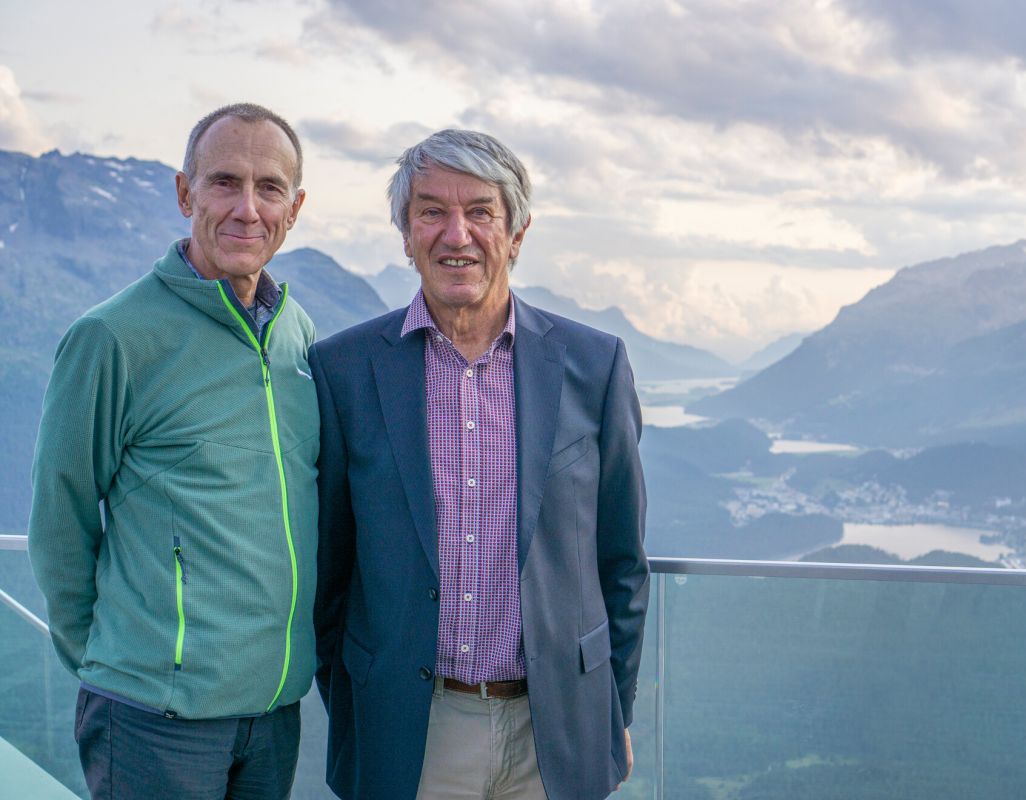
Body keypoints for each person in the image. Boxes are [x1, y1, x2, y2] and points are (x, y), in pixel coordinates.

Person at [309, 129, 649, 800]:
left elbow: (621, 563)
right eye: (431, 211)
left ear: (516, 234)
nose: (455, 234)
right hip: (410, 732)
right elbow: (330, 570)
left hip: (556, 732)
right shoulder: (343, 369)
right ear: (406, 234)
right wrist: (355, 703)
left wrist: (615, 710)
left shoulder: (595, 365)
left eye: (480, 212)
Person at [28, 102, 318, 799]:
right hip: (154, 718)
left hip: (274, 711)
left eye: (269, 188)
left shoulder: (298, 335)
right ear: (186, 193)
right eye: (224, 182)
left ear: (295, 208)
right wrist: (113, 662)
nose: (248, 209)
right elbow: (60, 517)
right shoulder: (112, 337)